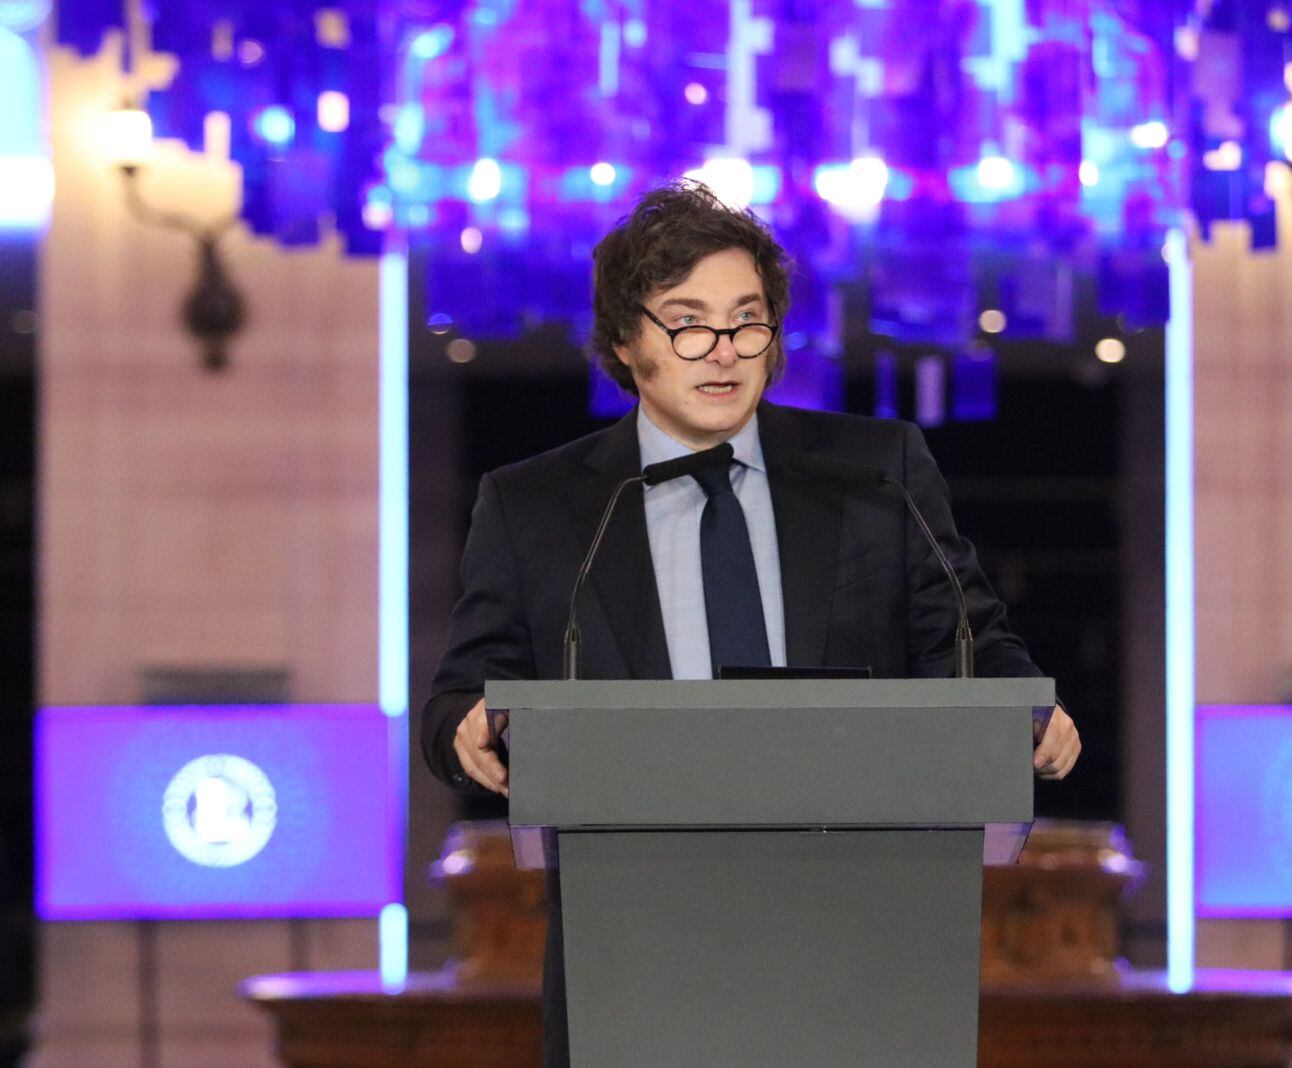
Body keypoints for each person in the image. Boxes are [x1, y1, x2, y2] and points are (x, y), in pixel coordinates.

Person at [420, 180, 1081, 1064]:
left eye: (749, 320)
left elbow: (967, 639)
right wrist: (467, 726)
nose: (723, 351)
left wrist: (1024, 710)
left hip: (857, 940)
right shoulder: (537, 507)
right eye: (688, 322)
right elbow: (461, 694)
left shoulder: (876, 474)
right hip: (633, 950)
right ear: (625, 341)